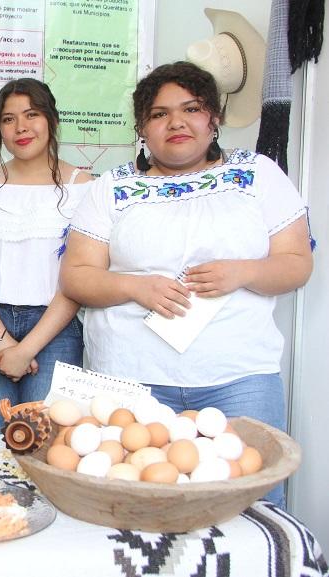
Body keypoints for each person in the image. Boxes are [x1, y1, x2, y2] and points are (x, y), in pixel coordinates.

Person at [60, 62, 313, 506]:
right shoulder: (111, 188)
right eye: (159, 114)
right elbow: (77, 277)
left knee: (250, 505)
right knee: (134, 509)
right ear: (142, 127)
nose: (176, 122)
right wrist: (135, 287)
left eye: (191, 109)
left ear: (212, 119)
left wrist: (245, 271)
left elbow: (296, 264)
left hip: (238, 376)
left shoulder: (257, 174)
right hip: (130, 379)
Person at [0, 78, 93, 434]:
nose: (21, 127)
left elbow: (79, 276)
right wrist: (3, 341)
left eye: (31, 114)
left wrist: (28, 348)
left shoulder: (83, 187)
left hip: (57, 328)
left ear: (51, 119)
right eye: (8, 119)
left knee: (45, 440)